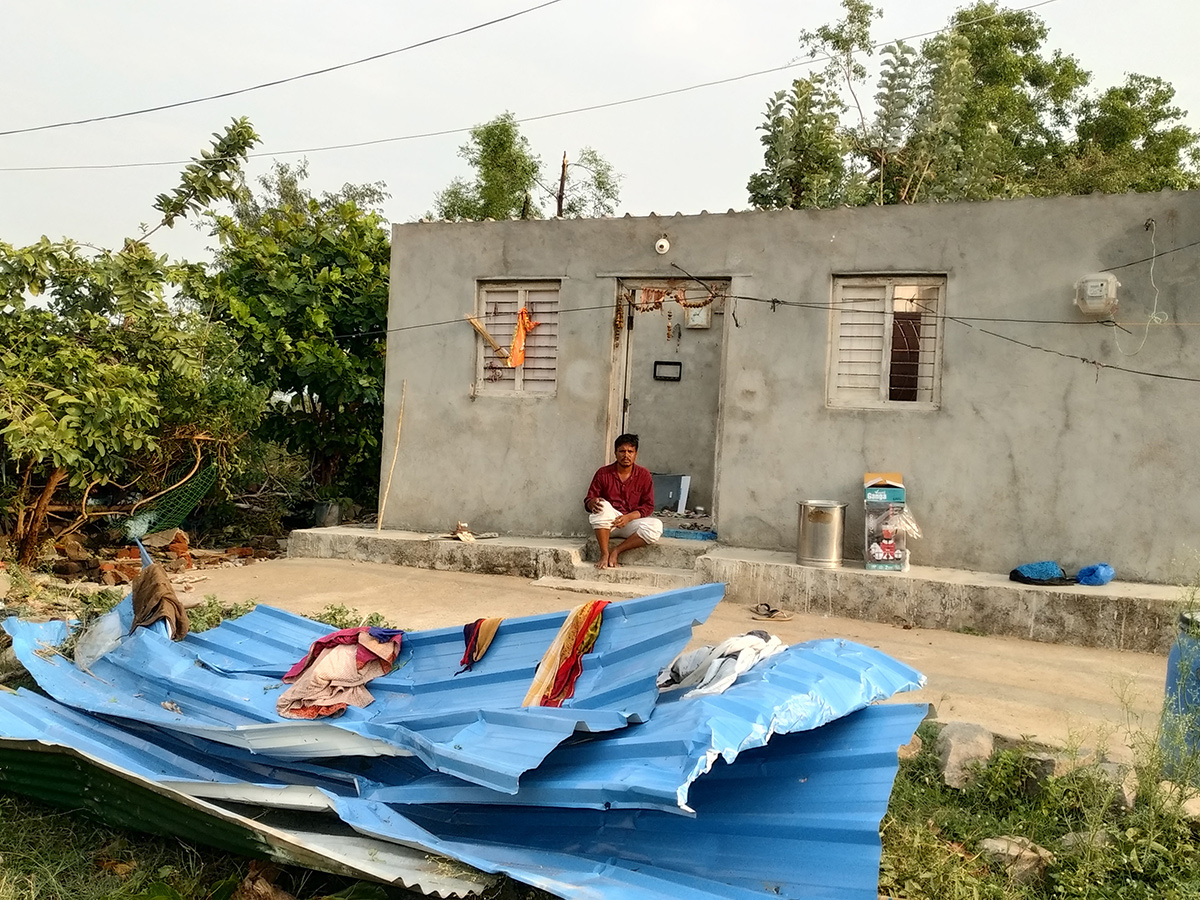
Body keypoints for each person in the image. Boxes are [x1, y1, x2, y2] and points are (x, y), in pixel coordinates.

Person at [583, 433, 664, 569]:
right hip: (608, 524)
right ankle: (604, 554)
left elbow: (648, 506)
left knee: (656, 526)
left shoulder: (644, 475)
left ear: (635, 454)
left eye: (630, 451)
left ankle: (616, 551)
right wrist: (592, 503)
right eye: (622, 451)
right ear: (615, 453)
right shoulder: (603, 473)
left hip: (630, 523)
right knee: (601, 505)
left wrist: (629, 517)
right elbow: (589, 499)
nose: (626, 455)